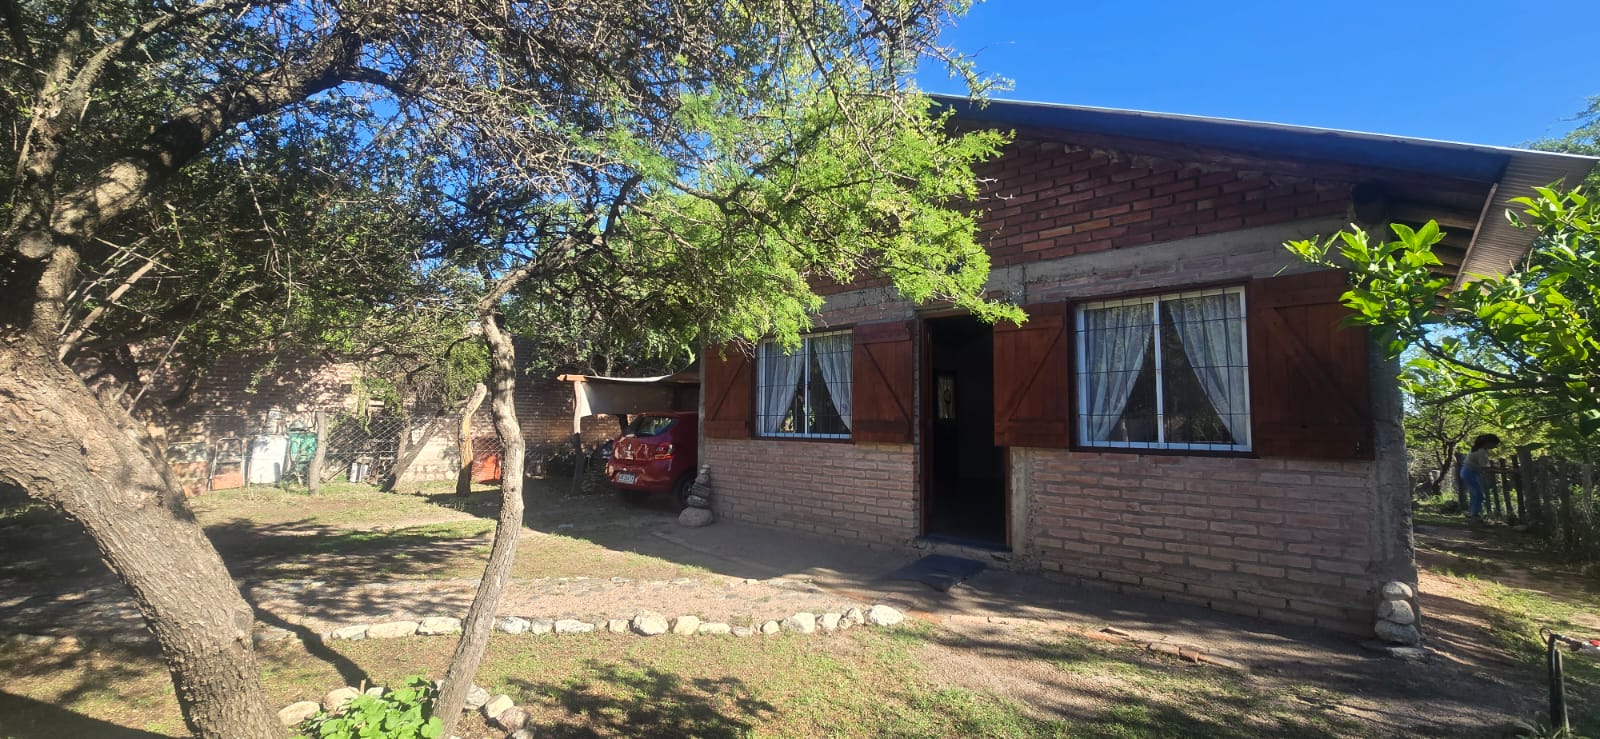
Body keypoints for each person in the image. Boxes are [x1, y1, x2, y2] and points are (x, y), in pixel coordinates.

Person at [1459, 433, 1501, 518]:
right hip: (1469, 473)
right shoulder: (1482, 452)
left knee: (1475, 494)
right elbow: (1485, 468)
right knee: (1478, 495)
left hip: (1468, 472)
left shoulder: (1479, 450)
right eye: (1494, 444)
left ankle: (1472, 513)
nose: (1495, 447)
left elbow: (1485, 465)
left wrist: (1497, 468)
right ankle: (1474, 514)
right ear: (1488, 442)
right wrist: (1500, 471)